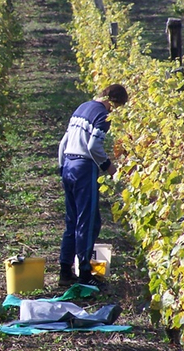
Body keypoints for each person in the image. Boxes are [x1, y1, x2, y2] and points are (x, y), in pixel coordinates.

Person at [57, 84, 128, 289]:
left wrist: (63, 168)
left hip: (68, 165)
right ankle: (85, 273)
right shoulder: (103, 116)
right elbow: (93, 147)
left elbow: (63, 143)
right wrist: (111, 169)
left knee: (72, 220)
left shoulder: (82, 108)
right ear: (114, 103)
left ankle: (65, 270)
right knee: (88, 222)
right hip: (84, 168)